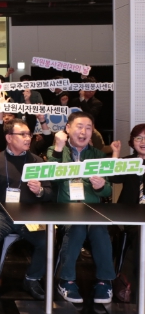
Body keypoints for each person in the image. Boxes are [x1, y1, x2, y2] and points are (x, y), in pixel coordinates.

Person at [0, 118, 52, 300]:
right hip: (1, 214)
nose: (28, 138)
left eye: (29, 134)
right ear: (9, 138)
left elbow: (49, 193)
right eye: (22, 134)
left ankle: (32, 279)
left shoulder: (37, 161)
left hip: (30, 215)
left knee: (47, 240)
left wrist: (40, 191)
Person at [47, 112, 120, 304]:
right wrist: (58, 148)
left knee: (99, 229)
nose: (83, 132)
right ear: (68, 128)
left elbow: (108, 190)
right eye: (79, 126)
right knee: (77, 227)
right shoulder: (55, 150)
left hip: (92, 211)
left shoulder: (98, 155)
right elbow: (51, 178)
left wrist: (101, 186)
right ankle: (67, 280)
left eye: (88, 128)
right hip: (66, 210)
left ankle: (105, 281)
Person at [109, 123, 145, 301]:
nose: (143, 142)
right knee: (140, 234)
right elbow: (113, 177)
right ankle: (135, 285)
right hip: (129, 215)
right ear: (132, 141)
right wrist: (115, 153)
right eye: (139, 138)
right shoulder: (129, 162)